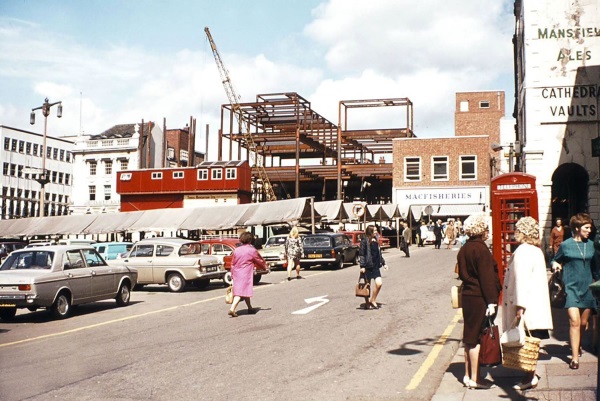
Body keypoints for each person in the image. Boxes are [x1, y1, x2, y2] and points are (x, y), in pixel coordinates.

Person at [502, 216, 553, 390]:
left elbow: (521, 282)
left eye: (517, 229)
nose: (515, 233)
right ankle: (529, 375)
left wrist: (520, 307)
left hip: (526, 304)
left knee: (527, 343)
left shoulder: (522, 251)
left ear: (522, 232)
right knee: (533, 342)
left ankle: (528, 378)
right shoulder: (536, 250)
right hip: (536, 303)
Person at [457, 213, 501, 389]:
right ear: (481, 229)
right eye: (486, 228)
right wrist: (492, 301)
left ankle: (467, 376)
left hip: (468, 296)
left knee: (469, 337)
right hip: (479, 297)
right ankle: (476, 378)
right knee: (475, 338)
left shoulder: (464, 249)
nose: (488, 231)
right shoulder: (481, 249)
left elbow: (461, 274)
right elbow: (487, 279)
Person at [551, 213, 597, 369]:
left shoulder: (591, 245)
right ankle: (575, 358)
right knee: (575, 322)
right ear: (577, 228)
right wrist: (555, 265)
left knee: (583, 323)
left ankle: (577, 344)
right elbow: (555, 259)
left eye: (590, 227)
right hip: (570, 288)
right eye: (586, 227)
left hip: (587, 289)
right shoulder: (566, 245)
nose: (589, 230)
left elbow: (596, 269)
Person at [228, 231, 267, 318]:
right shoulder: (252, 250)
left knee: (244, 290)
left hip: (236, 272)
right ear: (250, 240)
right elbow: (259, 260)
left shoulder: (236, 250)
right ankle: (232, 308)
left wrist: (232, 274)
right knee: (239, 293)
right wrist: (265, 267)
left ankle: (250, 308)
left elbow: (232, 263)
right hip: (245, 273)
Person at [359, 225, 385, 309]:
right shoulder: (364, 240)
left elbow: (379, 253)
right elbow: (362, 254)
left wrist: (384, 263)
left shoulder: (376, 240)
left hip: (375, 266)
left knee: (379, 283)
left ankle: (372, 300)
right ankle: (367, 303)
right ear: (370, 232)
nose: (376, 232)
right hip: (367, 266)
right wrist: (362, 266)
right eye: (374, 231)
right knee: (367, 286)